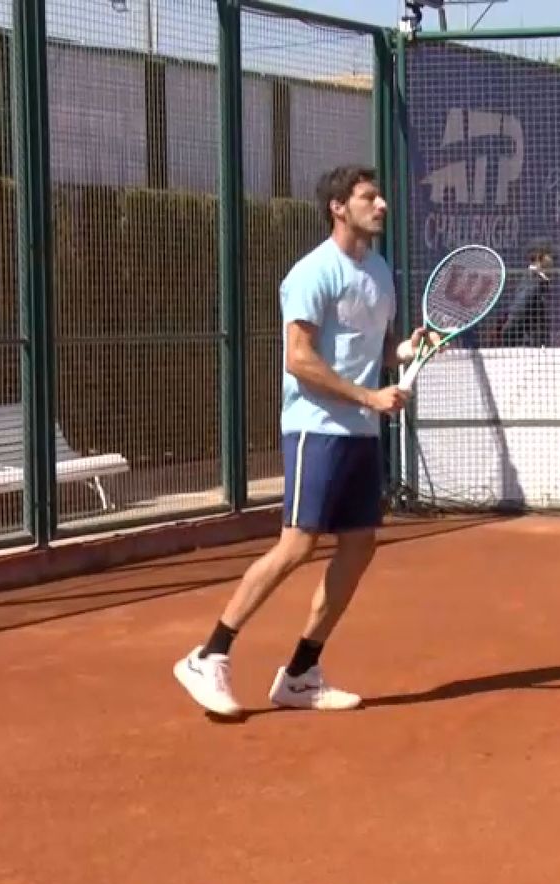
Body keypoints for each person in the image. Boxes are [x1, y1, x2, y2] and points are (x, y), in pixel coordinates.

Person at [173, 164, 440, 717]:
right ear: (338, 207)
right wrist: (368, 397)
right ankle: (209, 653)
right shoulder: (313, 272)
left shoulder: (379, 271)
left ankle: (300, 674)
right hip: (315, 429)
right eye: (369, 197)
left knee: (359, 546)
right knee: (297, 544)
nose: (382, 204)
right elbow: (299, 359)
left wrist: (406, 351)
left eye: (380, 196)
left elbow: (375, 349)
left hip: (360, 433)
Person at [496, 243, 555, 347]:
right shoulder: (534, 279)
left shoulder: (537, 279)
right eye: (550, 255)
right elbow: (521, 308)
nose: (553, 259)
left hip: (531, 341)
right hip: (526, 343)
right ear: (539, 257)